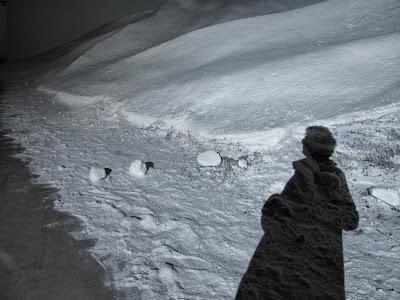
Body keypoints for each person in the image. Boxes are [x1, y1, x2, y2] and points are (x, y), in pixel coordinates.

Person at [236, 126, 359, 300]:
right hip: (311, 263)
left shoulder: (328, 176)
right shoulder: (306, 172)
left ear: (308, 148)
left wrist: (276, 205)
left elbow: (350, 220)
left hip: (303, 261)